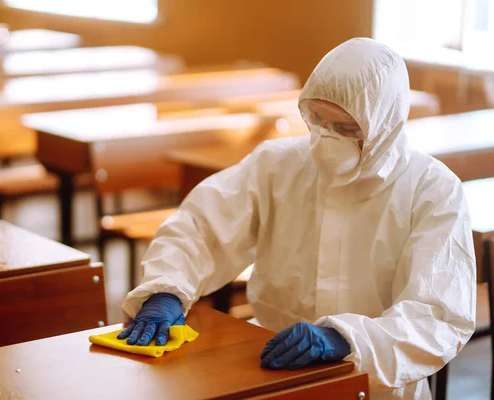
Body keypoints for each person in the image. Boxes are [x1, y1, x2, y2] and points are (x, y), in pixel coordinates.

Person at [118, 38, 476, 399]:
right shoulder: (277, 164)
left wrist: (344, 338)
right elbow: (199, 227)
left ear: (385, 125)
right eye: (317, 118)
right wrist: (166, 288)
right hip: (270, 361)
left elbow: (437, 317)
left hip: (375, 379)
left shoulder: (431, 190)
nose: (326, 136)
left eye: (347, 128)